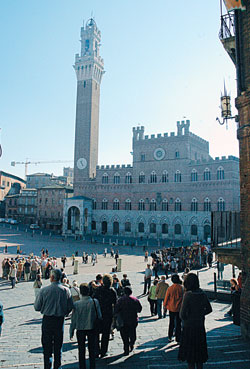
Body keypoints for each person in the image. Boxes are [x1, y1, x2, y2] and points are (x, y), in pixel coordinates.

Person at [34, 269, 74, 369]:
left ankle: (47, 366)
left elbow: (37, 307)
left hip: (47, 320)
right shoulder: (66, 290)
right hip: (59, 321)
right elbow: (70, 306)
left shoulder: (44, 290)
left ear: (52, 277)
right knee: (58, 346)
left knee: (47, 347)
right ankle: (57, 366)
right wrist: (64, 312)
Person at [178, 273, 212, 369]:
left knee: (191, 357)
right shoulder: (203, 294)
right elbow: (209, 309)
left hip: (189, 328)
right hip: (200, 327)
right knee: (199, 356)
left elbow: (182, 314)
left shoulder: (188, 295)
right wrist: (200, 314)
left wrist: (190, 316)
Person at [70, 283, 102, 369]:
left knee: (81, 350)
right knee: (91, 348)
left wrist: (71, 331)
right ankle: (92, 366)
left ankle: (82, 366)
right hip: (91, 327)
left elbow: (73, 319)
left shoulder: (76, 304)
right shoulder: (95, 302)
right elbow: (99, 315)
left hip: (80, 329)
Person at [93, 274, 117, 357]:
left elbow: (94, 299)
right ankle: (103, 351)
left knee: (96, 333)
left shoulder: (98, 290)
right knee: (106, 333)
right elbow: (115, 302)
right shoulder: (112, 291)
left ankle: (96, 350)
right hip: (108, 314)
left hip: (98, 313)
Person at [114, 286, 142, 355]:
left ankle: (126, 348)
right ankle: (131, 343)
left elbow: (116, 310)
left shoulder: (120, 300)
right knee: (132, 334)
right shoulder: (135, 299)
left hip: (123, 321)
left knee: (124, 335)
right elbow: (139, 309)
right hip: (132, 320)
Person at [163, 274, 183, 343]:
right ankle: (178, 338)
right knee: (178, 323)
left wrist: (165, 307)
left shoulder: (170, 288)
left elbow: (166, 298)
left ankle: (170, 336)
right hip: (179, 308)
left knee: (171, 323)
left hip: (171, 308)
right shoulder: (182, 288)